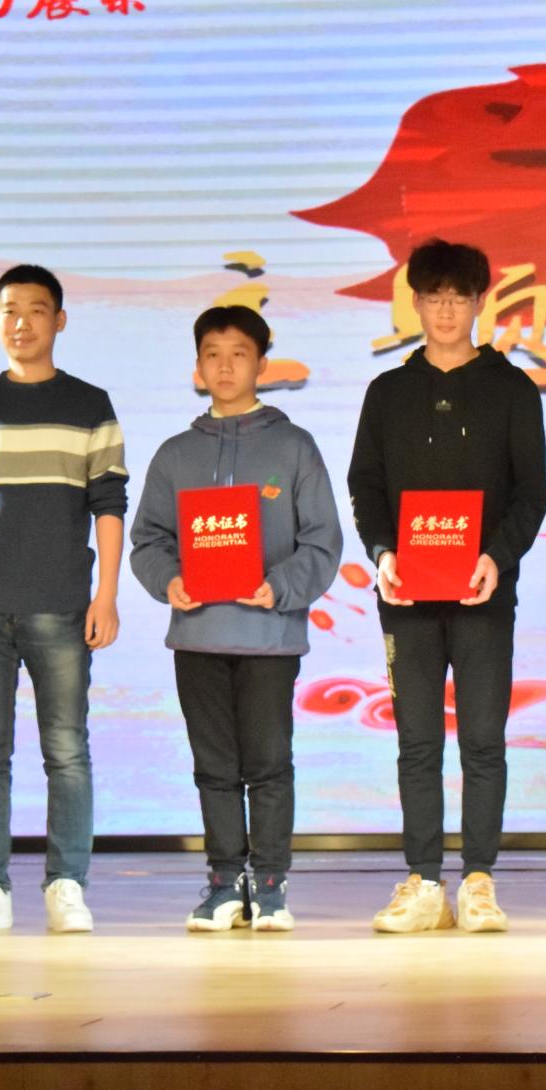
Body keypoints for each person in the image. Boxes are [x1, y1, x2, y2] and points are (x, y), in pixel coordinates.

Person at [346, 239, 546, 933]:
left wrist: (497, 556)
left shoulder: (512, 389)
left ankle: (480, 880)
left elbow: (532, 492)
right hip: (406, 596)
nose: (445, 310)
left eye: (459, 297)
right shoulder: (388, 392)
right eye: (433, 297)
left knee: (484, 739)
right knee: (417, 741)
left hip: (483, 594)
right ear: (415, 302)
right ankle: (424, 881)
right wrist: (382, 553)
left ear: (479, 302)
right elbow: (365, 486)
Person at [0, 264, 128, 935]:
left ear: (59, 321)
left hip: (61, 604)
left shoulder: (90, 404)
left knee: (66, 751)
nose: (22, 323)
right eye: (10, 311)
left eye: (37, 310)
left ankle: (66, 884)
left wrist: (107, 596)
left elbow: (108, 502)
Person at [128, 305, 342, 932]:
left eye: (239, 354)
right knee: (214, 767)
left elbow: (323, 540)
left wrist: (280, 588)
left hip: (269, 637)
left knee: (269, 764)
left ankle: (270, 884)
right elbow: (148, 540)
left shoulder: (294, 446)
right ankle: (224, 882)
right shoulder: (176, 454)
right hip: (198, 635)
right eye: (213, 355)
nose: (225, 367)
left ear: (261, 364)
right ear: (198, 366)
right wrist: (168, 580)